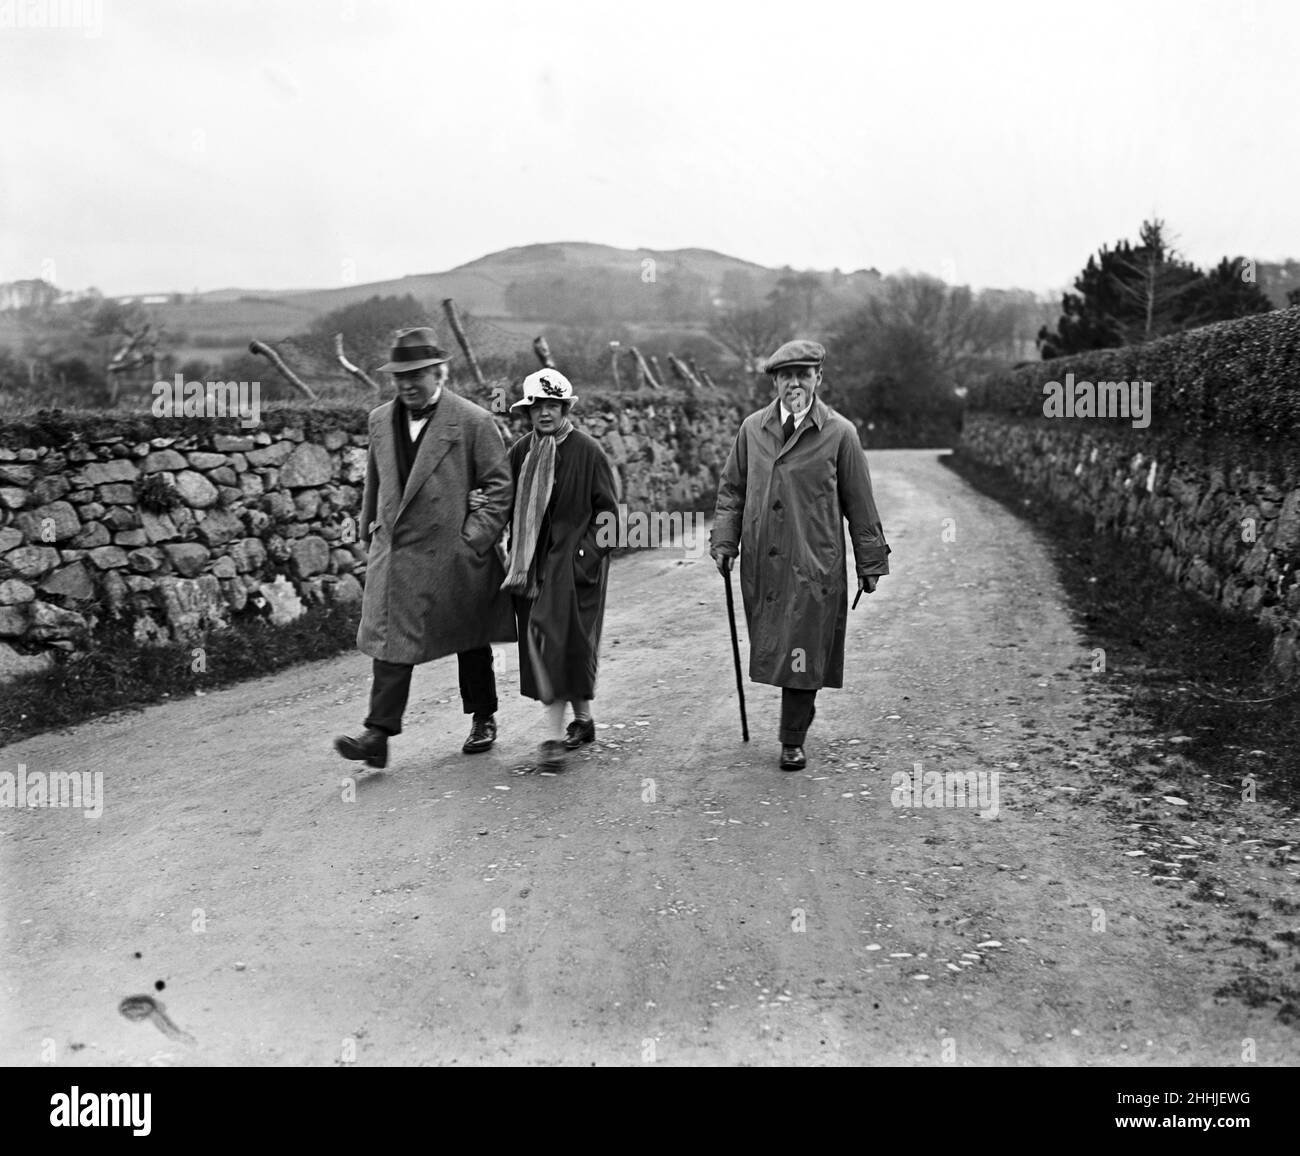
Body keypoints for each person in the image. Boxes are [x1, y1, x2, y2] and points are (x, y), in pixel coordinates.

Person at [334, 327, 516, 769]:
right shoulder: (379, 419)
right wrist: (368, 528)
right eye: (400, 376)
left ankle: (483, 716)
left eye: (416, 374)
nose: (407, 384)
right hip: (396, 551)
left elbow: (499, 487)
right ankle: (378, 734)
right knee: (390, 640)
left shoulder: (473, 421)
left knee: (470, 638)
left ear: (440, 373)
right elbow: (377, 479)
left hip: (453, 554)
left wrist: (473, 538)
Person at [709, 339, 890, 771]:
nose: (795, 383)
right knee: (775, 644)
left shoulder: (840, 433)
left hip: (814, 561)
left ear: (818, 379)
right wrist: (724, 541)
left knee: (803, 647)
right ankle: (796, 721)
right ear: (774, 381)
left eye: (803, 375)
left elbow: (860, 502)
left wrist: (870, 562)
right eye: (786, 375)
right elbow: (732, 490)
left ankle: (792, 738)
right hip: (763, 561)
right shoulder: (752, 429)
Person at [495, 368, 619, 772]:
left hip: (573, 570)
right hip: (530, 568)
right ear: (528, 412)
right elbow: (501, 503)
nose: (545, 414)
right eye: (537, 406)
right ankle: (582, 722)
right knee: (554, 646)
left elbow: (608, 518)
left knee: (560, 643)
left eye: (552, 405)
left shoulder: (587, 452)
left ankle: (551, 737)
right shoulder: (520, 453)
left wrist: (583, 559)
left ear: (564, 407)